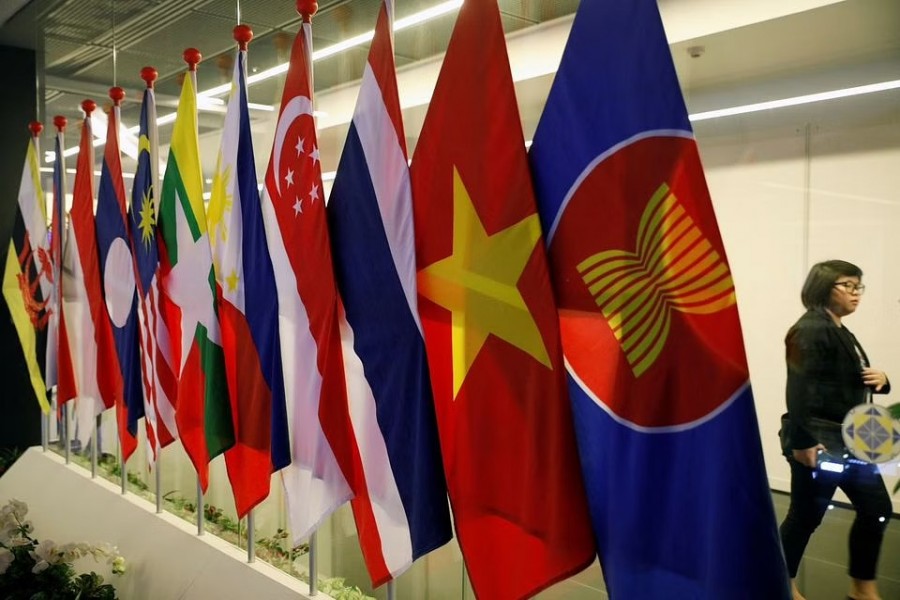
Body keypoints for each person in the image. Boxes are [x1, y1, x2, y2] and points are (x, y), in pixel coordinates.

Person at [779, 260, 892, 600]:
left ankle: (862, 587)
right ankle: (779, 584)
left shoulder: (841, 330)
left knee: (876, 510)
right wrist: (803, 442)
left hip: (849, 439)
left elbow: (841, 381)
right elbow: (798, 388)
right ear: (823, 287)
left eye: (859, 286)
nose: (856, 294)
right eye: (848, 286)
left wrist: (883, 381)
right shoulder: (811, 328)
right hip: (820, 441)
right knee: (806, 517)